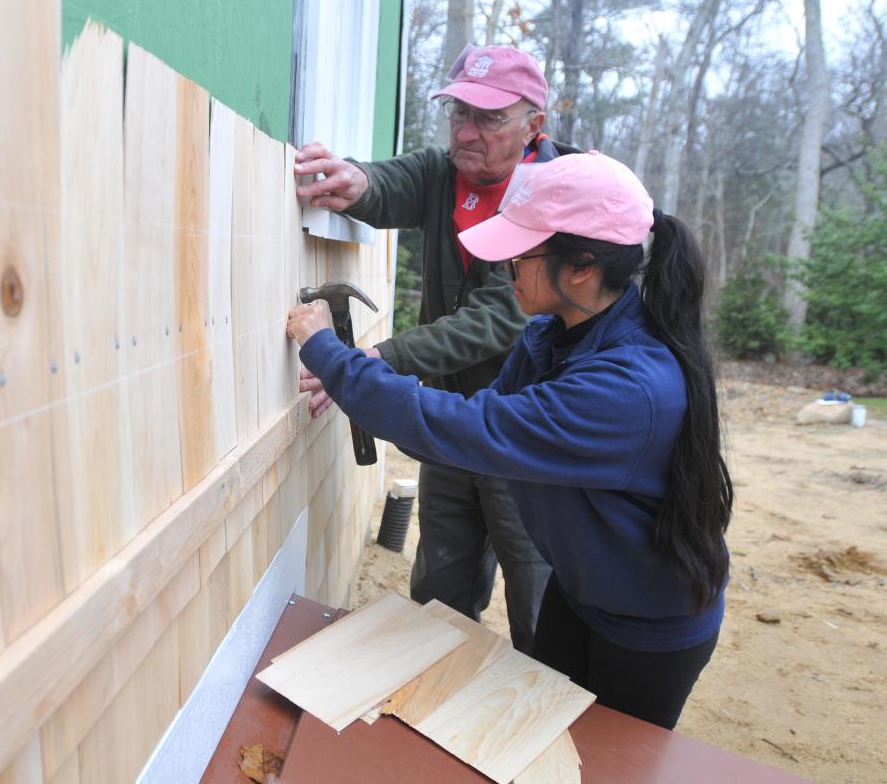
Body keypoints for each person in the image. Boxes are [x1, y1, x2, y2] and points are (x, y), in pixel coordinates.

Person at [285, 152, 733, 730]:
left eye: (522, 254)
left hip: (648, 627)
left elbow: (472, 430)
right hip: (582, 594)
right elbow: (471, 430)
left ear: (582, 267)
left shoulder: (628, 388)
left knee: (606, 764)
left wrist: (330, 353)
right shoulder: (555, 332)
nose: (507, 268)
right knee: (543, 731)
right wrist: (357, 383)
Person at [293, 44, 574, 652]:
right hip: (450, 420)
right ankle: (430, 701)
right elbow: (394, 182)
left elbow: (500, 318)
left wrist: (377, 362)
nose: (467, 132)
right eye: (458, 114)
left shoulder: (555, 194)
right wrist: (354, 179)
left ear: (534, 126)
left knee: (539, 592)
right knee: (442, 581)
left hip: (524, 430)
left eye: (490, 118)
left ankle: (551, 717)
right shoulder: (448, 172)